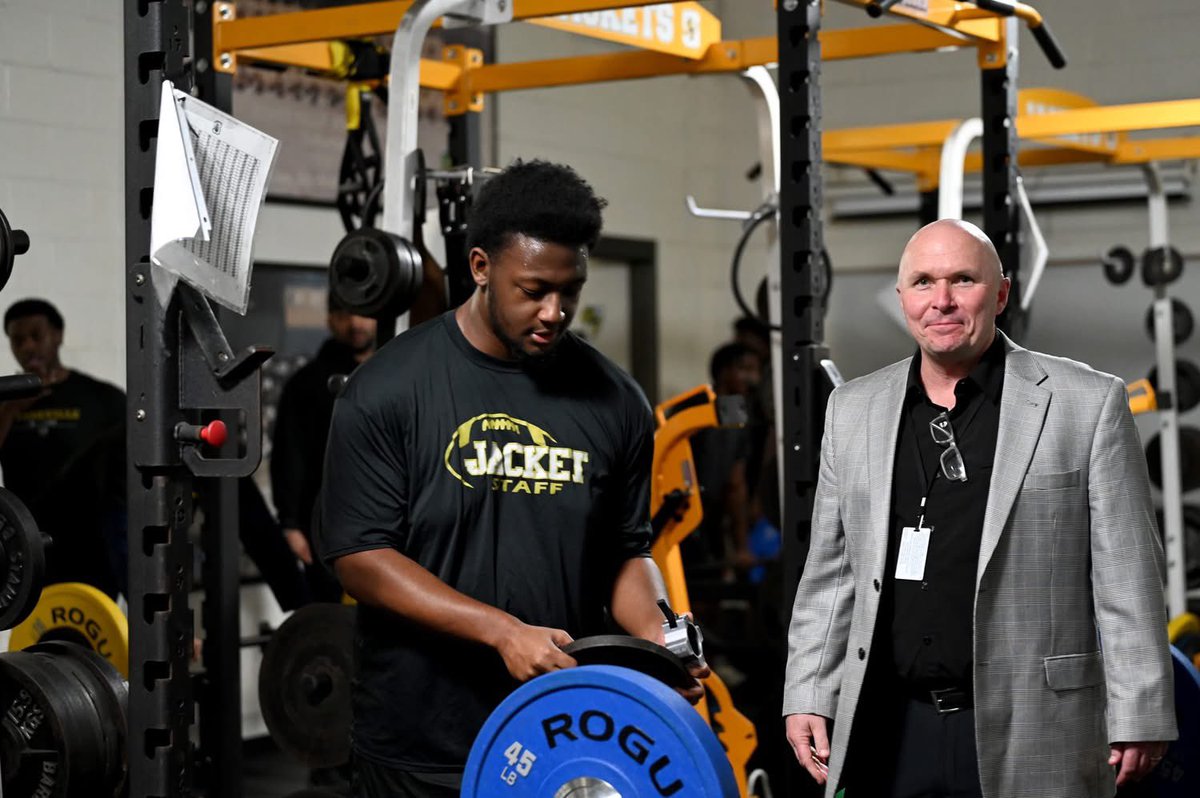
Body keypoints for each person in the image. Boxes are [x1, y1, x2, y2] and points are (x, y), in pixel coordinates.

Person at [317, 159, 705, 798]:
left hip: (560, 736)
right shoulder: (387, 388)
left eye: (570, 291)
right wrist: (501, 630)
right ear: (480, 267)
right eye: (533, 290)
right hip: (421, 743)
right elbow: (360, 558)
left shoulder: (616, 401)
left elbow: (625, 552)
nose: (555, 311)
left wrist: (659, 642)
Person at [782, 219, 1176, 798]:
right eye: (923, 282)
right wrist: (808, 691)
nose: (940, 300)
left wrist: (1140, 707)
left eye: (962, 280)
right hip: (890, 725)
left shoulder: (1086, 403)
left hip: (1034, 723)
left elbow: (1127, 574)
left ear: (1000, 294)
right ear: (903, 297)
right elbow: (831, 573)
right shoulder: (853, 409)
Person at [0, 299, 126, 597]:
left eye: (36, 336)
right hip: (28, 545)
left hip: (91, 549)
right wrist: (10, 410)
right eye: (18, 340)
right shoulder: (4, 402)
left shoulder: (102, 398)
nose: (28, 347)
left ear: (57, 336)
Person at [270, 294, 376, 601]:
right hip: (323, 528)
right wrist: (290, 525)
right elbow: (289, 456)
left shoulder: (399, 375)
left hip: (389, 526)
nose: (355, 323)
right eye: (345, 315)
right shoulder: (306, 384)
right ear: (330, 320)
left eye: (363, 313)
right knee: (331, 619)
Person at [687, 341, 761, 572]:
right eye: (745, 369)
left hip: (711, 521)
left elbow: (735, 483)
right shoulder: (694, 409)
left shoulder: (738, 416)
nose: (753, 378)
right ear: (724, 371)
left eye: (755, 371)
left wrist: (741, 547)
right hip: (681, 518)